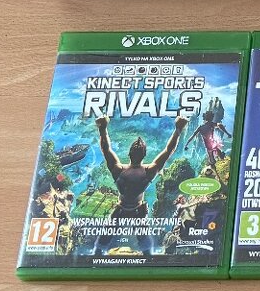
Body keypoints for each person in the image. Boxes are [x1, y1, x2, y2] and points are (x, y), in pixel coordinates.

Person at [95, 113, 185, 253]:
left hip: (121, 209)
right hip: (138, 211)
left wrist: (103, 128)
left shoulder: (119, 170)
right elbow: (168, 150)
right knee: (145, 244)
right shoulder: (149, 171)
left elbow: (105, 149)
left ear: (129, 154)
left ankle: (97, 255)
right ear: (144, 155)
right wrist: (178, 129)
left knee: (104, 240)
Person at [184, 96, 231, 180]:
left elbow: (192, 136)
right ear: (211, 117)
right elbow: (219, 125)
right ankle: (217, 172)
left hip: (209, 146)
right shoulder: (210, 124)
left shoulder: (201, 127)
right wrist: (227, 133)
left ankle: (217, 173)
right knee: (216, 156)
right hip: (212, 145)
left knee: (214, 159)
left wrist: (187, 144)